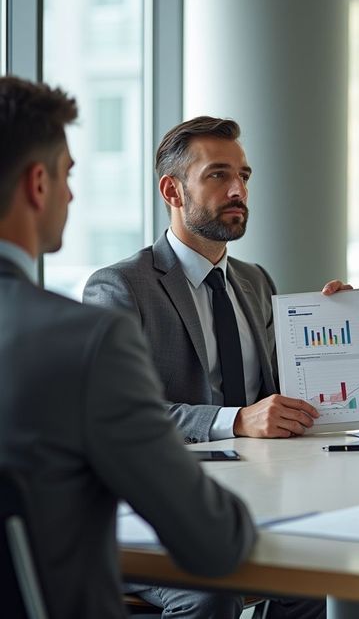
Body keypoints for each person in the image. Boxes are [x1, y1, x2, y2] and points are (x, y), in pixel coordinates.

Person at [0, 76, 256, 619]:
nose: (72, 195)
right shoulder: (85, 336)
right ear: (37, 184)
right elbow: (213, 539)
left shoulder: (257, 282)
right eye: (67, 176)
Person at [84, 116, 345, 618]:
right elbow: (115, 414)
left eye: (244, 176)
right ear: (172, 190)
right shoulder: (119, 287)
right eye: (218, 175)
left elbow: (285, 396)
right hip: (155, 512)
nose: (237, 189)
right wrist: (236, 419)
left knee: (315, 577)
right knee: (211, 594)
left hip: (259, 500)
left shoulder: (255, 281)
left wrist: (337, 331)